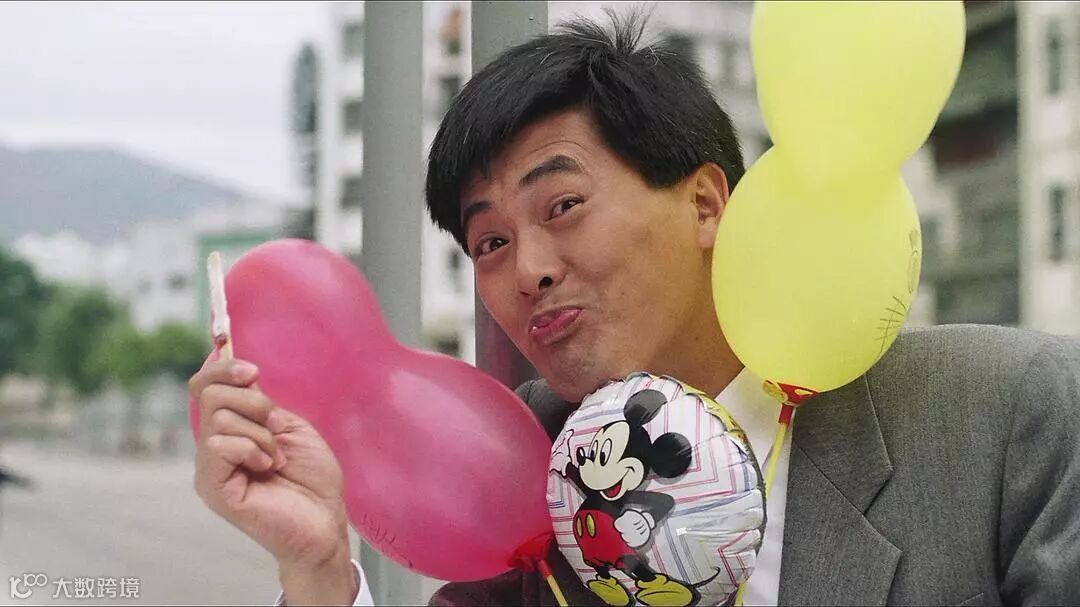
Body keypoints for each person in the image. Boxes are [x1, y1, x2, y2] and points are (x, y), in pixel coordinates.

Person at [188, 12, 1080, 607]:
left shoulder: (1003, 417)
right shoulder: (518, 470)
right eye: (489, 242)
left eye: (563, 205)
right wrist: (317, 570)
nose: (528, 271)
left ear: (705, 202)